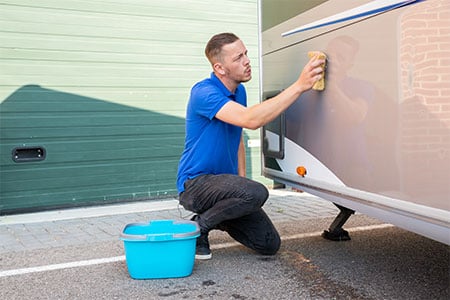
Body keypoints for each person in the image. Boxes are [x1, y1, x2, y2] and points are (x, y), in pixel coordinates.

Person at [176, 32, 325, 260]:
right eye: (238, 58)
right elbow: (251, 120)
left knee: (268, 244)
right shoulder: (203, 92)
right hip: (196, 184)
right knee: (256, 191)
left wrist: (241, 181)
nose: (247, 60)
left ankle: (220, 216)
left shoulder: (239, 92)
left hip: (224, 189)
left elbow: (238, 137)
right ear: (220, 68)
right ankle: (199, 227)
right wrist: (299, 86)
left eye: (245, 53)